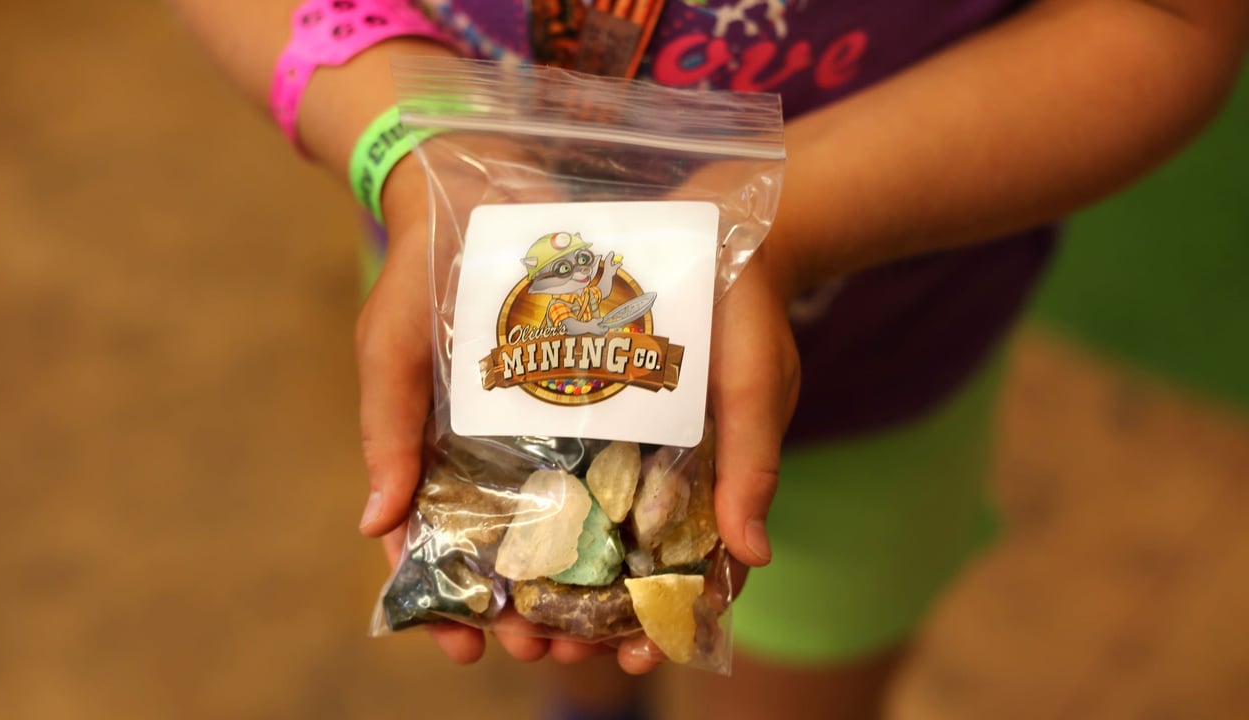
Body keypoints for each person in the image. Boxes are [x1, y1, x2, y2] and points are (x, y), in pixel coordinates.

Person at [170, 1, 1249, 718]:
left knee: (797, 677)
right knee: (556, 619)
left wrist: (782, 214)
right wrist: (405, 136)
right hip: (463, 314)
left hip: (874, 380)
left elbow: (1161, 23)